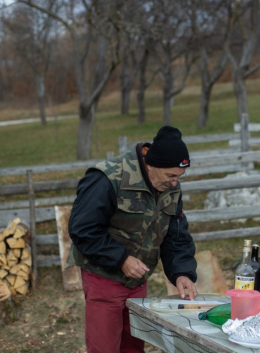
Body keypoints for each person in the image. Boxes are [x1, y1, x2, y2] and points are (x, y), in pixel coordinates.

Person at [67, 125, 198, 353]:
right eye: (170, 176)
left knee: (133, 346)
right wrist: (121, 259)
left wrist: (182, 272)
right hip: (103, 276)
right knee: (105, 347)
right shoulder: (108, 178)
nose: (175, 183)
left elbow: (176, 235)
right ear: (150, 164)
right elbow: (83, 228)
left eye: (179, 177)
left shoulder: (170, 188)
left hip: (137, 279)